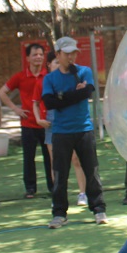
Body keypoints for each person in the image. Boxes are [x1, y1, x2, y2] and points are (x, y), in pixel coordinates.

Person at [40, 37, 107, 227]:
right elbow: (49, 102)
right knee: (60, 174)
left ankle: (99, 209)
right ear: (58, 54)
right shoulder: (50, 78)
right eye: (67, 53)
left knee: (91, 171)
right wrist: (72, 95)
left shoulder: (84, 72)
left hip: (84, 129)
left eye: (74, 52)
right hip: (61, 132)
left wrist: (62, 97)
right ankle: (59, 213)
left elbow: (88, 92)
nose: (71, 56)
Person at [32, 50, 88, 205]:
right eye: (56, 62)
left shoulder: (71, 78)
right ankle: (58, 196)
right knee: (55, 161)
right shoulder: (44, 81)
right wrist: (38, 119)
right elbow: (35, 103)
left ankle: (82, 193)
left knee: (76, 159)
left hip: (71, 122)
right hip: (52, 122)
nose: (59, 65)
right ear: (49, 65)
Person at [0, 42, 51, 198]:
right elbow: (2, 93)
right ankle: (30, 188)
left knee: (50, 157)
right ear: (27, 58)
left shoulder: (48, 76)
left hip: (46, 123)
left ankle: (53, 186)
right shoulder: (20, 77)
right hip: (28, 123)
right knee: (29, 157)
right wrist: (16, 109)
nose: (38, 57)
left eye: (41, 54)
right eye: (35, 54)